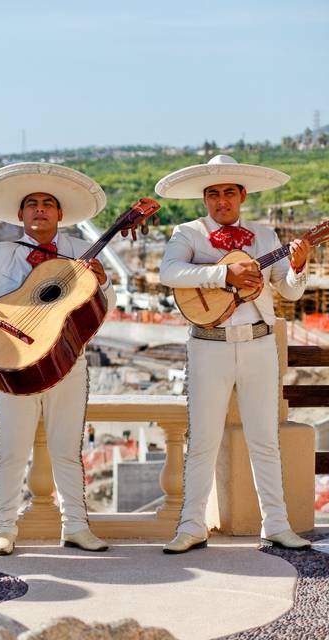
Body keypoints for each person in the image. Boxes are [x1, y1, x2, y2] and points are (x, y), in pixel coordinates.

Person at [157, 154, 311, 553]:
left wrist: (299, 265)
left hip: (259, 343)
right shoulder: (187, 233)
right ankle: (191, 525)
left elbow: (291, 291)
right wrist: (224, 273)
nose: (221, 200)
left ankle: (276, 523)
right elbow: (170, 272)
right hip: (209, 345)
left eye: (229, 192)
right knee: (203, 439)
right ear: (204, 199)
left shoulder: (264, 235)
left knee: (265, 439)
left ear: (242, 195)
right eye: (213, 194)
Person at [0, 162, 115, 555]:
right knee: (12, 451)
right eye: (31, 204)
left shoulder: (82, 253)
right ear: (20, 214)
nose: (39, 210)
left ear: (60, 214)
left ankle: (77, 526)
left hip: (68, 361)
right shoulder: (0, 252)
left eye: (48, 203)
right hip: (14, 362)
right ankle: (4, 529)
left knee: (67, 450)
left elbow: (107, 305)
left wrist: (100, 282)